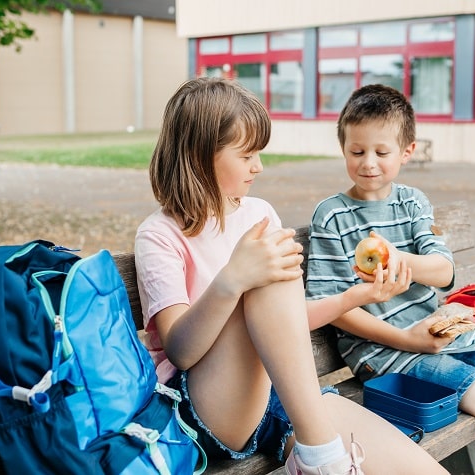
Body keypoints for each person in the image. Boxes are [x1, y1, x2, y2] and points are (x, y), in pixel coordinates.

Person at [134, 77, 447, 475]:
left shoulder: (257, 213)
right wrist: (233, 280)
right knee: (268, 273)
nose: (258, 167)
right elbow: (181, 351)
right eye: (247, 155)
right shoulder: (159, 234)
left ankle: (318, 456)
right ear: (199, 155)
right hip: (204, 405)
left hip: (280, 396)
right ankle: (323, 461)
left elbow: (283, 320)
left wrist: (356, 297)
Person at [305, 84, 475, 475]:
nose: (368, 163)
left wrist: (398, 258)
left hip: (442, 333)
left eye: (381, 152)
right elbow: (331, 308)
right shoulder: (333, 216)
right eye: (356, 152)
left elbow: (443, 270)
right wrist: (409, 339)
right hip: (386, 353)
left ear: (407, 151)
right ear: (343, 147)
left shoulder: (412, 202)